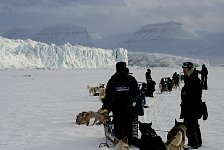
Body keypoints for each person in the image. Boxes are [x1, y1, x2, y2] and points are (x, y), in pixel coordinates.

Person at [105, 62, 139, 145]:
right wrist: (133, 100)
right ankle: (129, 142)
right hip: (128, 106)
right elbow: (136, 93)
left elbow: (108, 95)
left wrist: (107, 107)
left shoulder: (112, 80)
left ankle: (119, 142)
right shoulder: (131, 79)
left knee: (118, 125)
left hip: (116, 107)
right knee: (128, 124)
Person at [180, 62, 203, 149]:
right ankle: (196, 142)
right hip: (188, 107)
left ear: (189, 69)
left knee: (191, 126)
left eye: (184, 69)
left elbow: (197, 95)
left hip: (192, 108)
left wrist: (186, 94)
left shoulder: (195, 80)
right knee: (193, 125)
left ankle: (194, 144)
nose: (183, 70)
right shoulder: (189, 78)